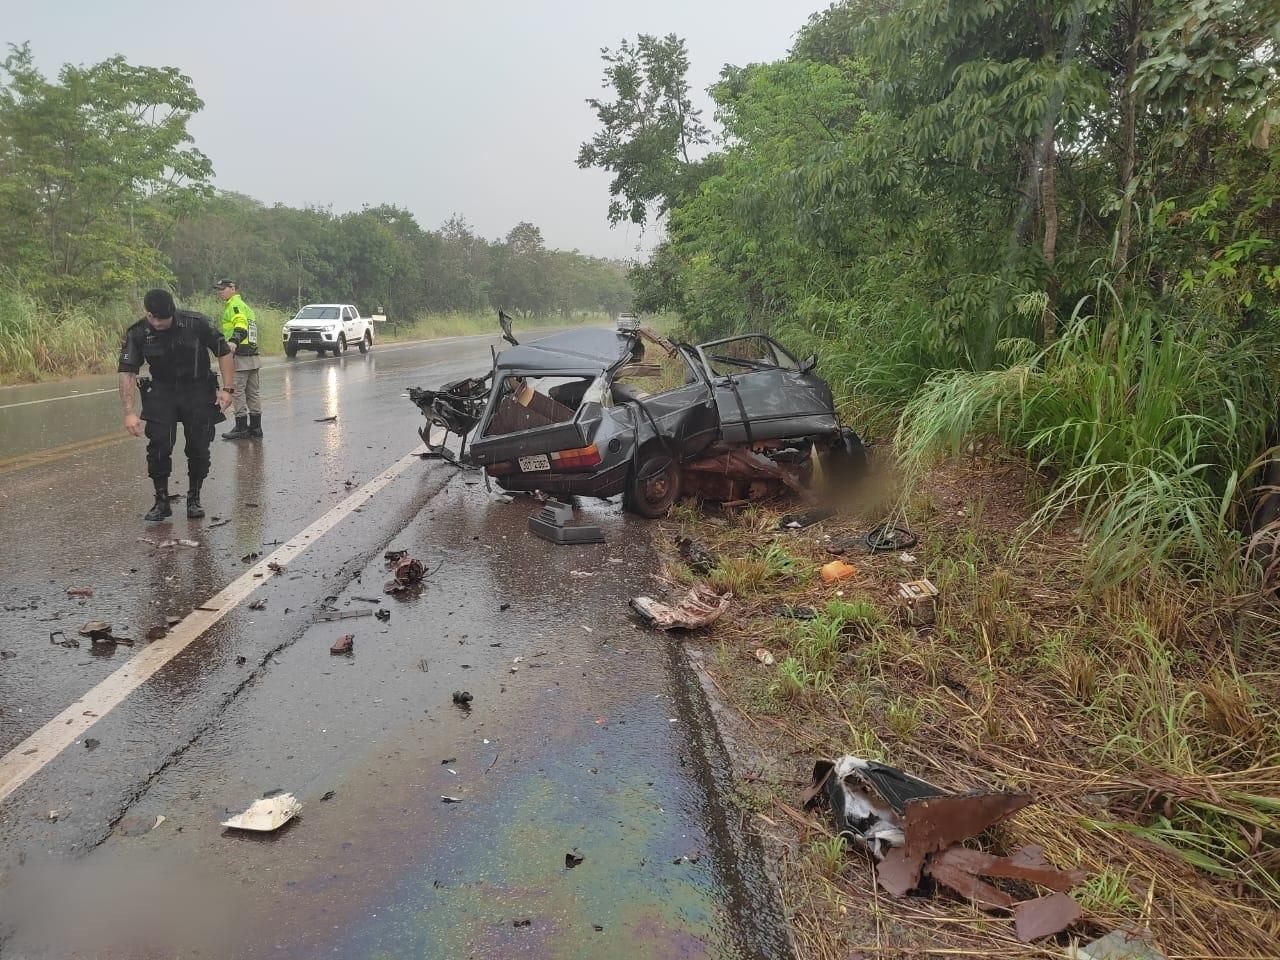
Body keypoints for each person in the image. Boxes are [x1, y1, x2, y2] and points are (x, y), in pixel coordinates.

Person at [118, 289, 234, 521]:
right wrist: (129, 412)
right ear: (148, 314)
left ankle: (194, 498)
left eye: (166, 319)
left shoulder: (196, 323)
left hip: (197, 389)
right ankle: (161, 501)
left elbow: (223, 351)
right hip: (162, 391)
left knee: (199, 447)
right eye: (156, 319)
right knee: (159, 446)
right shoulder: (138, 332)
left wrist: (227, 389)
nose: (160, 324)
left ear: (173, 312)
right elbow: (127, 371)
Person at [214, 279, 263, 440]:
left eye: (223, 289)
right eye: (219, 289)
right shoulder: (245, 306)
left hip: (240, 356)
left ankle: (241, 427)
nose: (220, 292)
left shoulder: (234, 305)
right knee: (253, 393)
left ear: (233, 288)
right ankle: (256, 428)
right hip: (252, 356)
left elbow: (240, 325)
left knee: (237, 392)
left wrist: (234, 341)